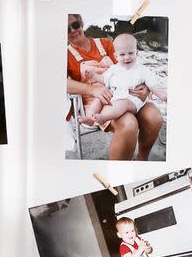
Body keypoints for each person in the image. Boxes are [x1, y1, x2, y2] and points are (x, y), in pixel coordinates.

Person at [66, 15, 163, 160]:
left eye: (75, 25)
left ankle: (143, 159)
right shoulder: (66, 55)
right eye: (67, 29)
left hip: (129, 93)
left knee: (154, 117)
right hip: (97, 102)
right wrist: (93, 89)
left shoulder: (105, 43)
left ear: (81, 23)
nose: (72, 31)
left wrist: (146, 88)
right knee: (129, 124)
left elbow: (132, 64)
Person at [83, 32, 167, 130]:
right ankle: (90, 119)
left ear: (136, 52)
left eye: (130, 53)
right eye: (122, 54)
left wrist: (164, 96)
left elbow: (153, 85)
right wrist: (93, 76)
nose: (127, 57)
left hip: (132, 101)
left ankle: (104, 118)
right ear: (116, 56)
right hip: (115, 96)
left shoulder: (142, 70)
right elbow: (104, 79)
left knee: (123, 103)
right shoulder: (113, 68)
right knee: (100, 98)